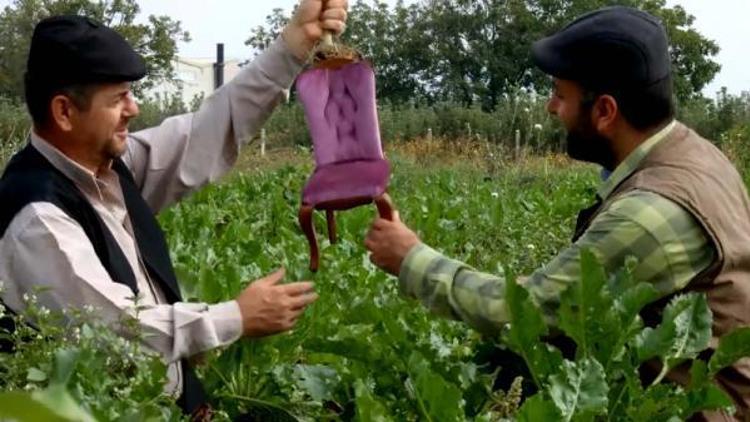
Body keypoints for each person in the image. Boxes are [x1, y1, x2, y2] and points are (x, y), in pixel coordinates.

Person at [365, 6, 750, 420]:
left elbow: (525, 312)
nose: (550, 107)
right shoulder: (696, 154)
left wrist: (411, 260)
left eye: (560, 95)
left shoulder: (651, 214)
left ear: (605, 111)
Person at [0, 0, 347, 417]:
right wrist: (233, 318)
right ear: (64, 112)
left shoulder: (109, 168)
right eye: (119, 98)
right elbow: (114, 331)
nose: (134, 108)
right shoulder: (37, 218)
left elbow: (207, 131)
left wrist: (294, 44)